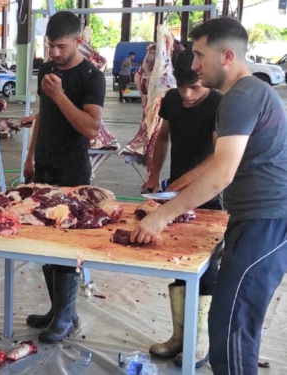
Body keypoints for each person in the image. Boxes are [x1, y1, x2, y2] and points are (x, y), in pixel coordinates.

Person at [131, 18, 287, 374]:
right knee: (229, 320)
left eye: (200, 55)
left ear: (227, 55)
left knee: (231, 325)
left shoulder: (243, 96)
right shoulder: (242, 96)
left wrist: (163, 215)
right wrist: (170, 189)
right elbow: (220, 162)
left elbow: (221, 173)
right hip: (254, 219)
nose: (195, 65)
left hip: (268, 221)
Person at [21, 11, 105, 344]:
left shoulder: (91, 77)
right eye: (49, 46)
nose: (53, 53)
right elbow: (43, 114)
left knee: (66, 247)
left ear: (78, 40)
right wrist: (29, 155)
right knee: (44, 242)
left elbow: (91, 128)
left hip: (73, 171)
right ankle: (59, 311)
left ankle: (66, 317)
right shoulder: (47, 70)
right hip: (44, 167)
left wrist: (60, 95)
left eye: (60, 46)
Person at [140, 46, 224, 368]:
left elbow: (219, 160)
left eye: (195, 87)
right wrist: (155, 174)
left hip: (211, 198)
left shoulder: (218, 104)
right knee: (176, 261)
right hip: (174, 197)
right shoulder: (172, 101)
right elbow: (163, 138)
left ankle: (199, 338)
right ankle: (179, 335)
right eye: (182, 86)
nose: (187, 95)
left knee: (206, 267)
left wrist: (181, 184)